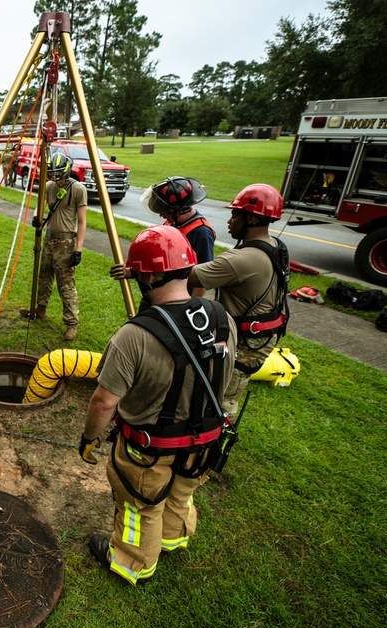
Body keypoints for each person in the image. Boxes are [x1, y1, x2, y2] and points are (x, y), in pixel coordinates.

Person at [81, 225, 237, 585]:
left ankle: (133, 561)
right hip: (205, 441)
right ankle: (174, 537)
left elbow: (104, 401)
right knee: (182, 491)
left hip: (150, 449)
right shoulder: (221, 317)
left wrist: (90, 438)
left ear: (148, 275)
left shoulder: (133, 336)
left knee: (139, 504)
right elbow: (224, 375)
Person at [188, 184, 290, 417]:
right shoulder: (276, 246)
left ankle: (212, 444)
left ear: (251, 219)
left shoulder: (242, 259)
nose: (229, 221)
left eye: (235, 214)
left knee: (220, 403)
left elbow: (187, 275)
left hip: (246, 344)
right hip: (260, 337)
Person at [20, 153, 87, 341]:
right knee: (44, 275)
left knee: (65, 284)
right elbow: (39, 206)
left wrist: (78, 249)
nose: (56, 180)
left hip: (66, 242)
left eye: (60, 176)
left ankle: (72, 323)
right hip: (49, 238)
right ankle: (40, 309)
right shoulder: (48, 186)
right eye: (53, 175)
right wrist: (36, 216)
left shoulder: (78, 189)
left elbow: (82, 221)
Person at [138, 176, 215, 298]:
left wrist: (191, 304)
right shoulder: (172, 222)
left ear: (181, 210)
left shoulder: (202, 232)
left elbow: (204, 277)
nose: (161, 215)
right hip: (159, 292)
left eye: (165, 211)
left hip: (179, 297)